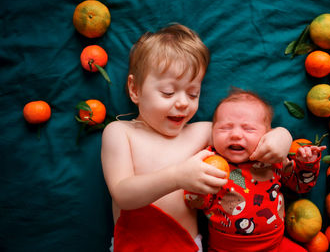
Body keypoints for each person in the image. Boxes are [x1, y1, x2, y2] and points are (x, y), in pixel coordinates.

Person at [101, 24, 293, 252]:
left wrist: (283, 136)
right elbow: (123, 194)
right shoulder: (120, 132)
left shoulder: (201, 131)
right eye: (168, 93)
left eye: (193, 93)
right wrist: (176, 177)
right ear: (135, 90)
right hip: (134, 245)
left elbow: (245, 136)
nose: (183, 102)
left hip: (188, 246)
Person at [184, 89, 326, 252]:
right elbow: (195, 202)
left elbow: (301, 185)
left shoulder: (272, 159)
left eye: (249, 129)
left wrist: (307, 163)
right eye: (225, 128)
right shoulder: (209, 161)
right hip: (225, 248)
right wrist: (195, 181)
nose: (236, 135)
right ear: (212, 133)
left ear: (266, 135)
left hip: (275, 245)